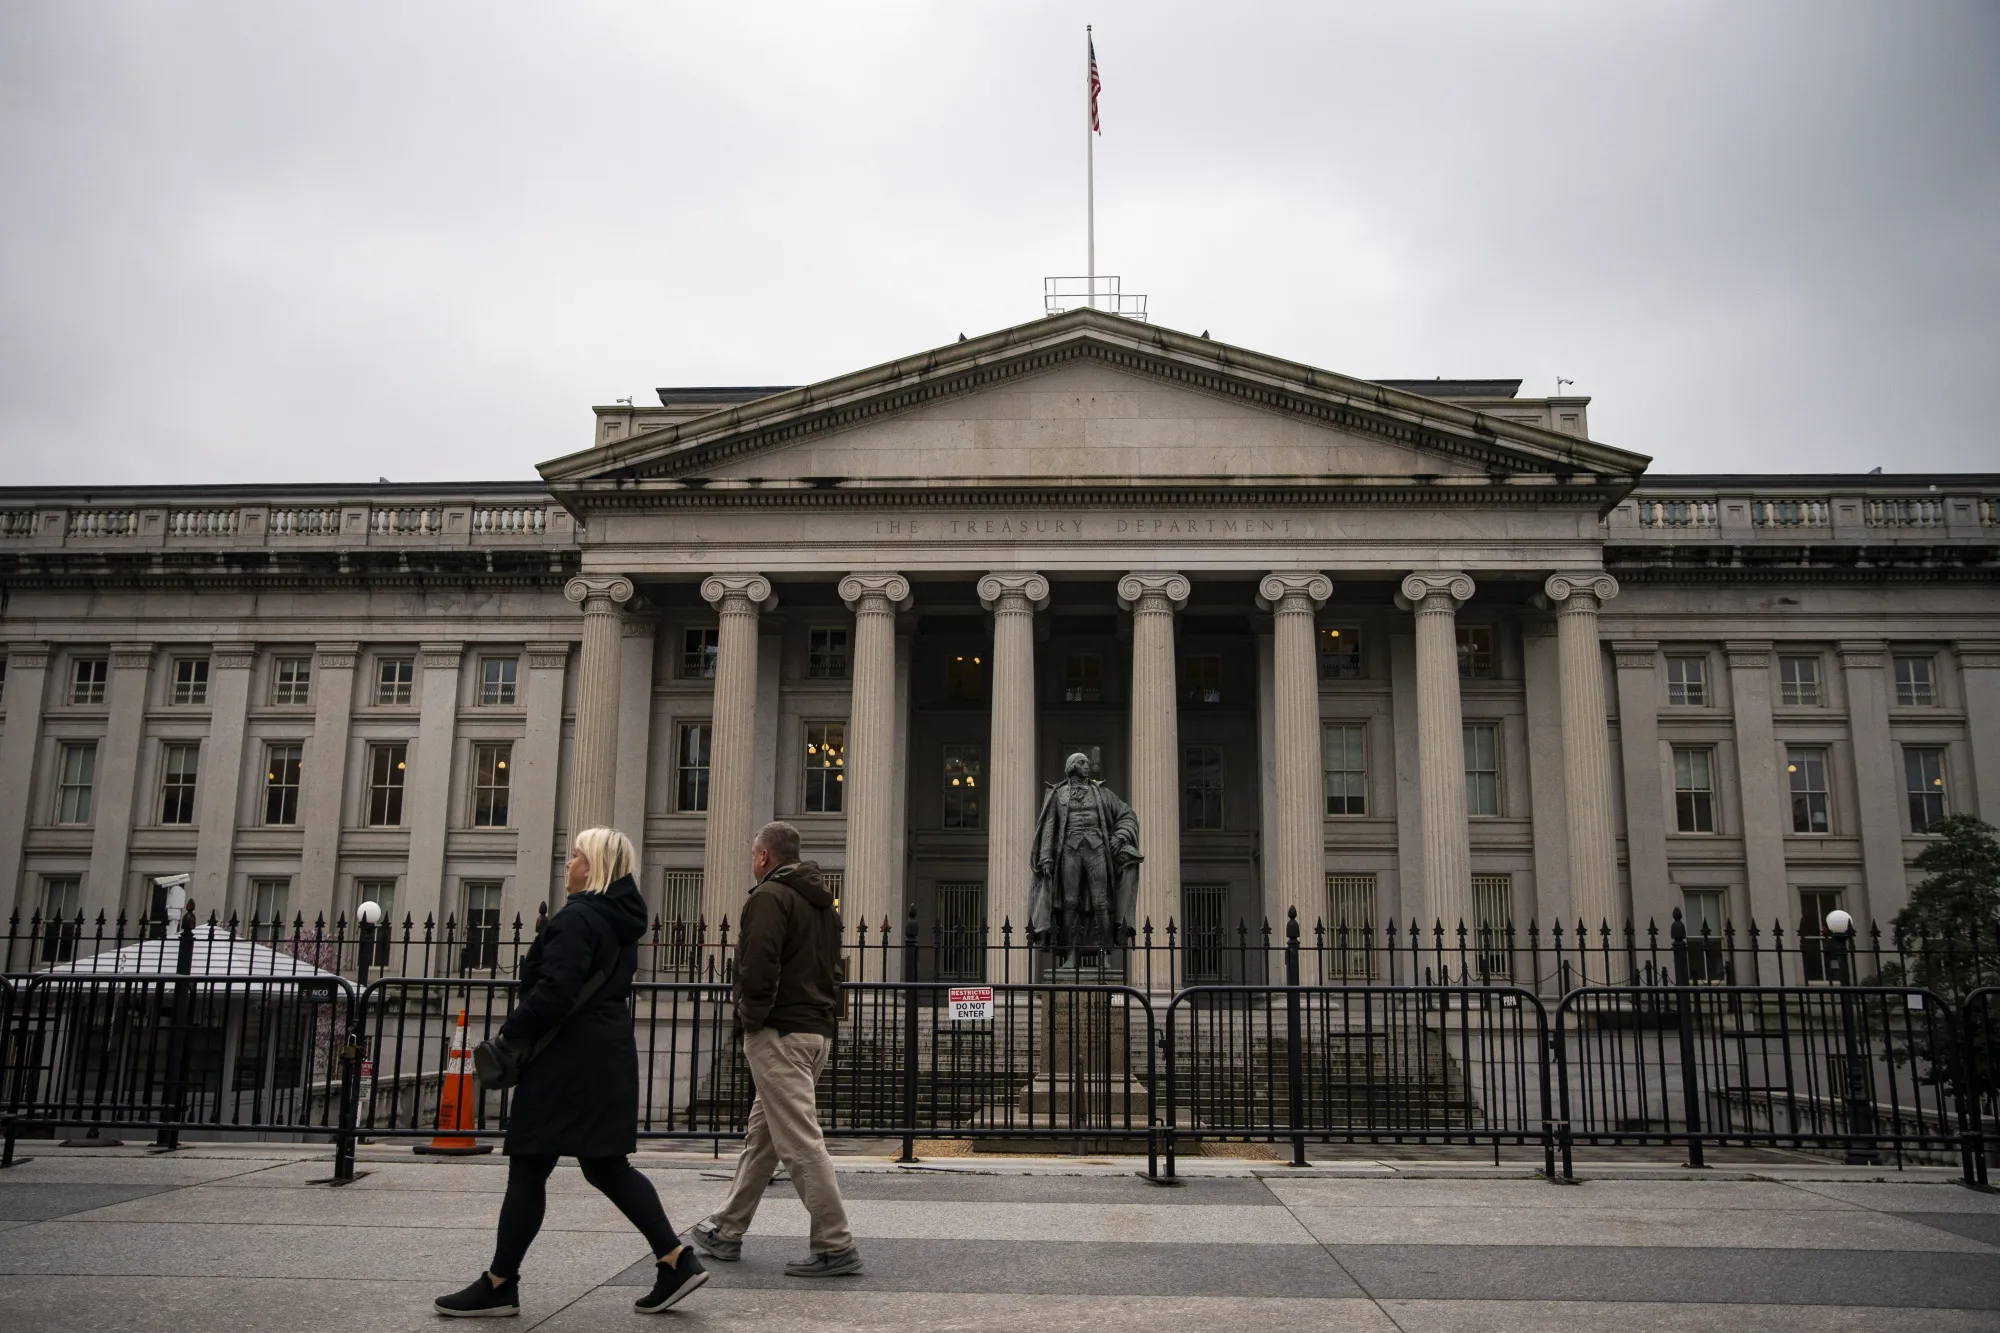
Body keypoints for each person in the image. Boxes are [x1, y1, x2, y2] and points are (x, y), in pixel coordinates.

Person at [435, 827, 707, 1317]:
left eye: (576, 856)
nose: (568, 863)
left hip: (565, 1059)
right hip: (605, 1052)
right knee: (604, 1165)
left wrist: (508, 1034)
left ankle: (499, 1285)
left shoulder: (578, 917)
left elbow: (555, 993)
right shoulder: (619, 920)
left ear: (596, 866)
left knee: (530, 1164)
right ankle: (675, 1259)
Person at [685, 820, 861, 1276]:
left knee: (799, 1141)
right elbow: (833, 970)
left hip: (779, 1032)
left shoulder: (768, 897)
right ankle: (726, 1229)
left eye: (752, 854)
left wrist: (750, 1021)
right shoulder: (824, 905)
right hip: (814, 1029)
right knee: (763, 1136)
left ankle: (834, 1243)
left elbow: (756, 966)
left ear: (763, 857)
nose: (751, 861)